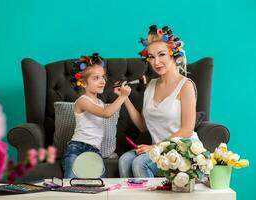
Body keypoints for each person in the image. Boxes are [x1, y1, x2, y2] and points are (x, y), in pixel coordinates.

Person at [117, 25, 199, 178]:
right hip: (157, 150)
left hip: (181, 149)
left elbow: (187, 130)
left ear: (173, 54)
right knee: (124, 160)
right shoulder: (151, 85)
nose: (156, 62)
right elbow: (142, 126)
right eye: (151, 57)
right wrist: (124, 98)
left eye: (161, 55)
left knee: (139, 163)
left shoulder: (186, 86)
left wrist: (155, 147)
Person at [62, 53, 131, 178]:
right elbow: (106, 113)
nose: (102, 81)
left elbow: (108, 109)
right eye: (96, 78)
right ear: (83, 83)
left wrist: (120, 95)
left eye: (103, 77)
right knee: (70, 183)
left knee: (99, 184)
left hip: (94, 150)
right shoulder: (82, 101)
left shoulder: (100, 103)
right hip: (77, 148)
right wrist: (123, 96)